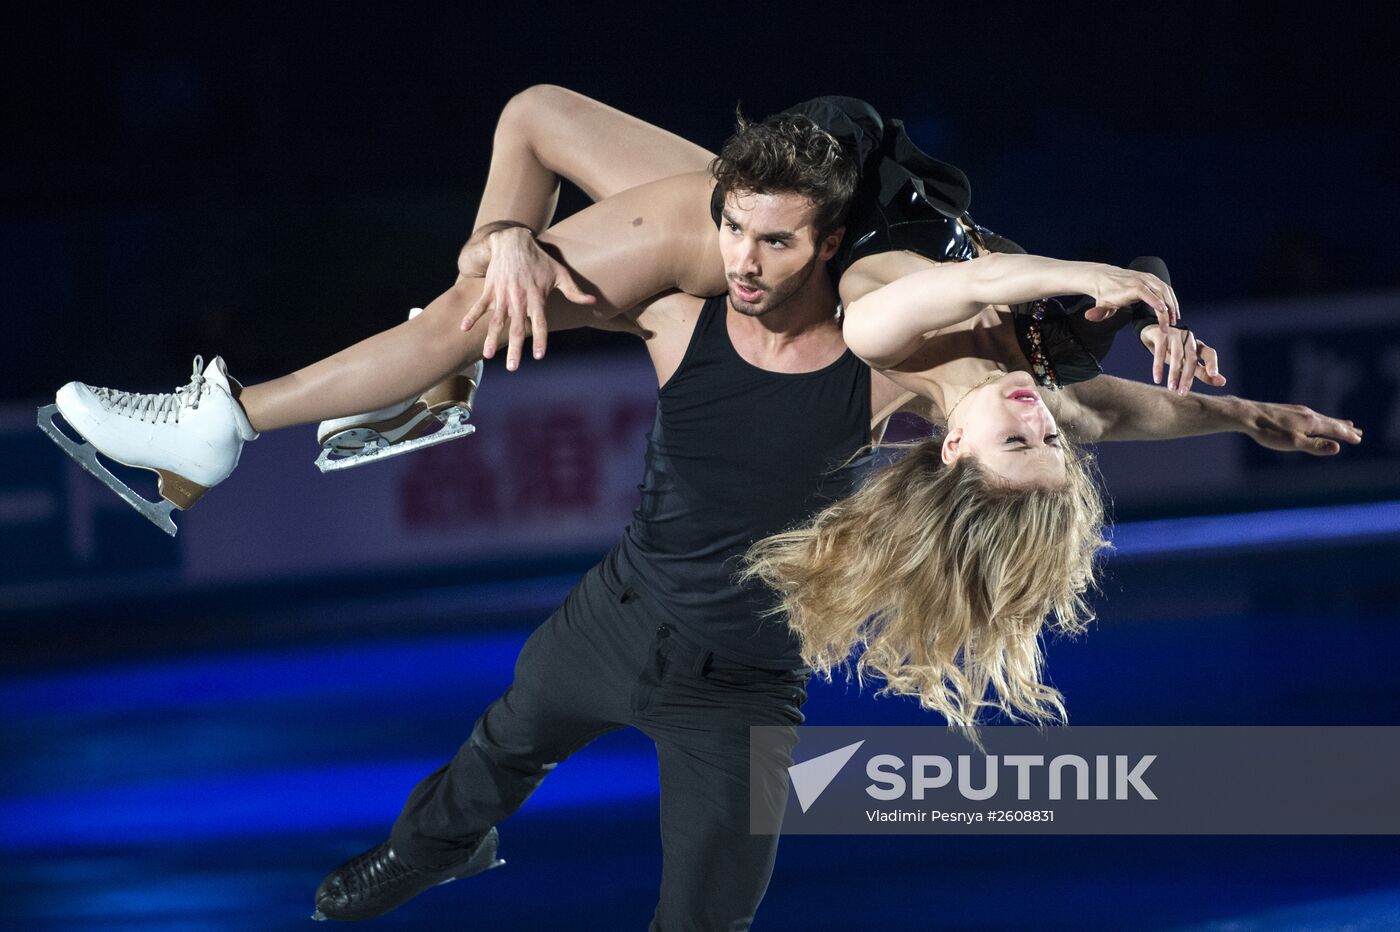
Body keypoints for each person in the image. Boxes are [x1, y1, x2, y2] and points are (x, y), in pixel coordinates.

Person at [41, 92, 1359, 927]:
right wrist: (1247, 414)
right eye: (1041, 440)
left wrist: (1117, 275)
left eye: (1009, 441)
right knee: (499, 243)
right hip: (812, 207)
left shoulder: (898, 339)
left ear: (950, 449)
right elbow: (1122, 412)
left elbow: (938, 304)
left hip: (801, 301)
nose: (1031, 423)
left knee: (478, 301)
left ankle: (245, 420)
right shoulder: (1045, 377)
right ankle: (359, 388)